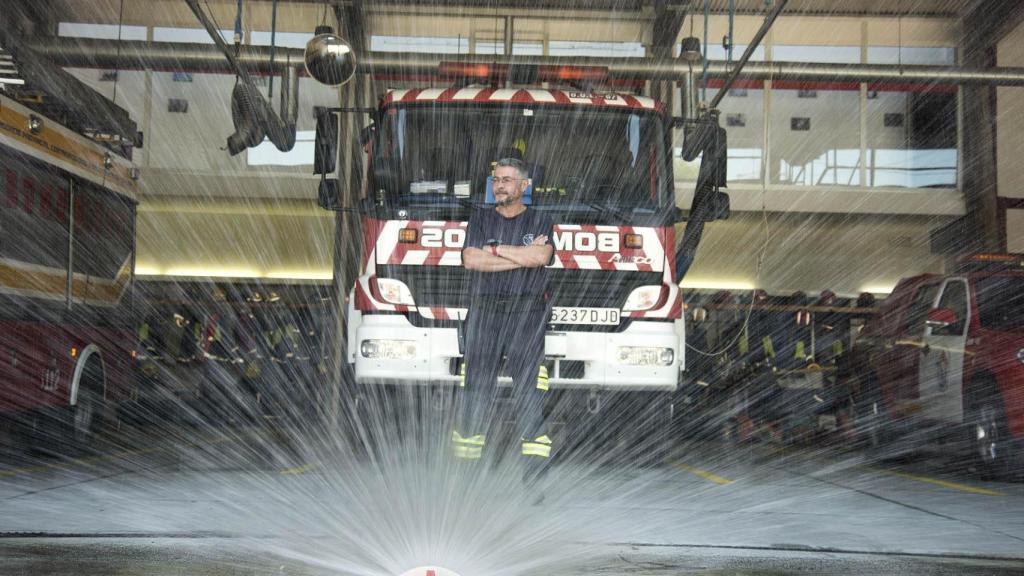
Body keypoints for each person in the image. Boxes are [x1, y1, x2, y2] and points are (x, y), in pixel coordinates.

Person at [456, 157, 554, 487]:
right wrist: (518, 258)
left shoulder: (541, 218)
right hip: (484, 312)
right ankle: (466, 480)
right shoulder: (480, 218)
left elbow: (541, 257)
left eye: (507, 180)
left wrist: (494, 251)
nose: (499, 185)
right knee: (475, 394)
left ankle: (535, 482)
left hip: (526, 315)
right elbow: (471, 260)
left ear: (524, 186)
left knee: (529, 397)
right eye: (496, 179)